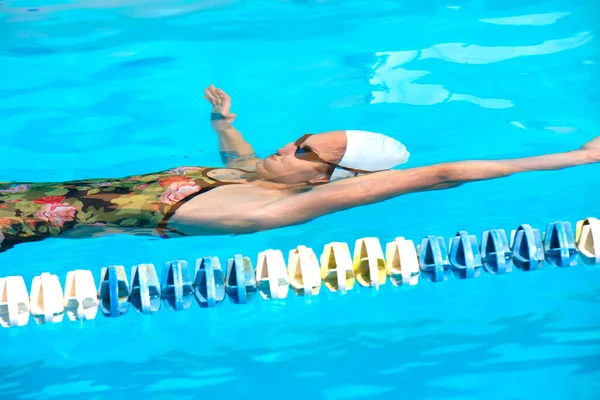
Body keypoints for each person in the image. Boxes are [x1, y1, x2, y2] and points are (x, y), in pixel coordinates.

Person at [1, 85, 599, 253]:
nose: (290, 147)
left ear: (327, 183)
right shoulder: (247, 177)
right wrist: (225, 123)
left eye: (309, 152)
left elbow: (442, 174)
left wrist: (576, 158)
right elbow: (236, 160)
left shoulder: (272, 207)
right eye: (301, 138)